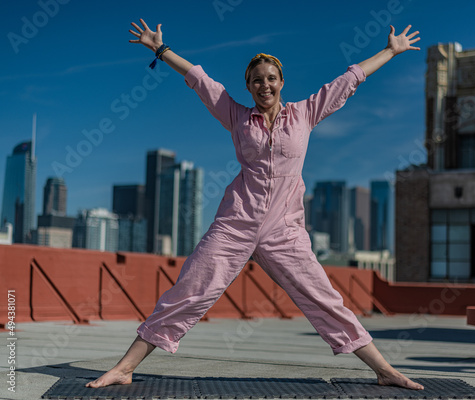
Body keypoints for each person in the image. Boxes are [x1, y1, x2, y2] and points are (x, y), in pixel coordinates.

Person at [87, 19, 423, 390]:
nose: (265, 85)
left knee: (325, 300)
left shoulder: (306, 113)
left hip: (285, 229)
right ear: (248, 86)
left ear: (282, 82)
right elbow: (200, 79)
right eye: (257, 80)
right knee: (188, 292)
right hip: (236, 223)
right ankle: (124, 368)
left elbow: (350, 79)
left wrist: (391, 51)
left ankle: (384, 371)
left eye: (271, 78)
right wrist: (161, 50)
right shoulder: (236, 115)